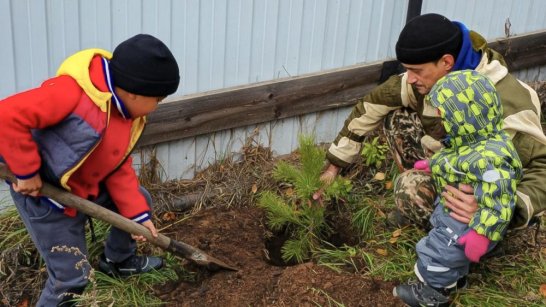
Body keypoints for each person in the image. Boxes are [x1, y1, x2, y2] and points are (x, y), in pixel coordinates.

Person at [315, 13, 546, 232]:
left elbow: (542, 166)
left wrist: (501, 209)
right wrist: (334, 167)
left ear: (446, 62)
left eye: (416, 70)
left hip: (491, 192)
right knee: (397, 118)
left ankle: (465, 238)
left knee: (409, 188)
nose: (410, 78)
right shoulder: (431, 76)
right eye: (407, 70)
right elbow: (371, 105)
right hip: (454, 163)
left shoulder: (505, 103)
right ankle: (429, 208)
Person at [0, 34, 180, 306]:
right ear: (134, 93)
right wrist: (27, 171)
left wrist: (137, 216)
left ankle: (118, 261)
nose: (157, 106)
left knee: (140, 200)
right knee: (71, 279)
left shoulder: (127, 115)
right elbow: (6, 115)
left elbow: (117, 166)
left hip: (85, 187)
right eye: (158, 99)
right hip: (48, 199)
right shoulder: (70, 94)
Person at [392, 69, 522, 306]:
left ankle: (432, 293)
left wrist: (481, 234)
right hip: (454, 211)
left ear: (464, 116)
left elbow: (500, 201)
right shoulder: (471, 141)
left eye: (446, 114)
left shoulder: (492, 159)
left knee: (439, 252)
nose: (441, 118)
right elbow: (456, 160)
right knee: (449, 249)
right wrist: (432, 165)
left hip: (467, 222)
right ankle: (453, 278)